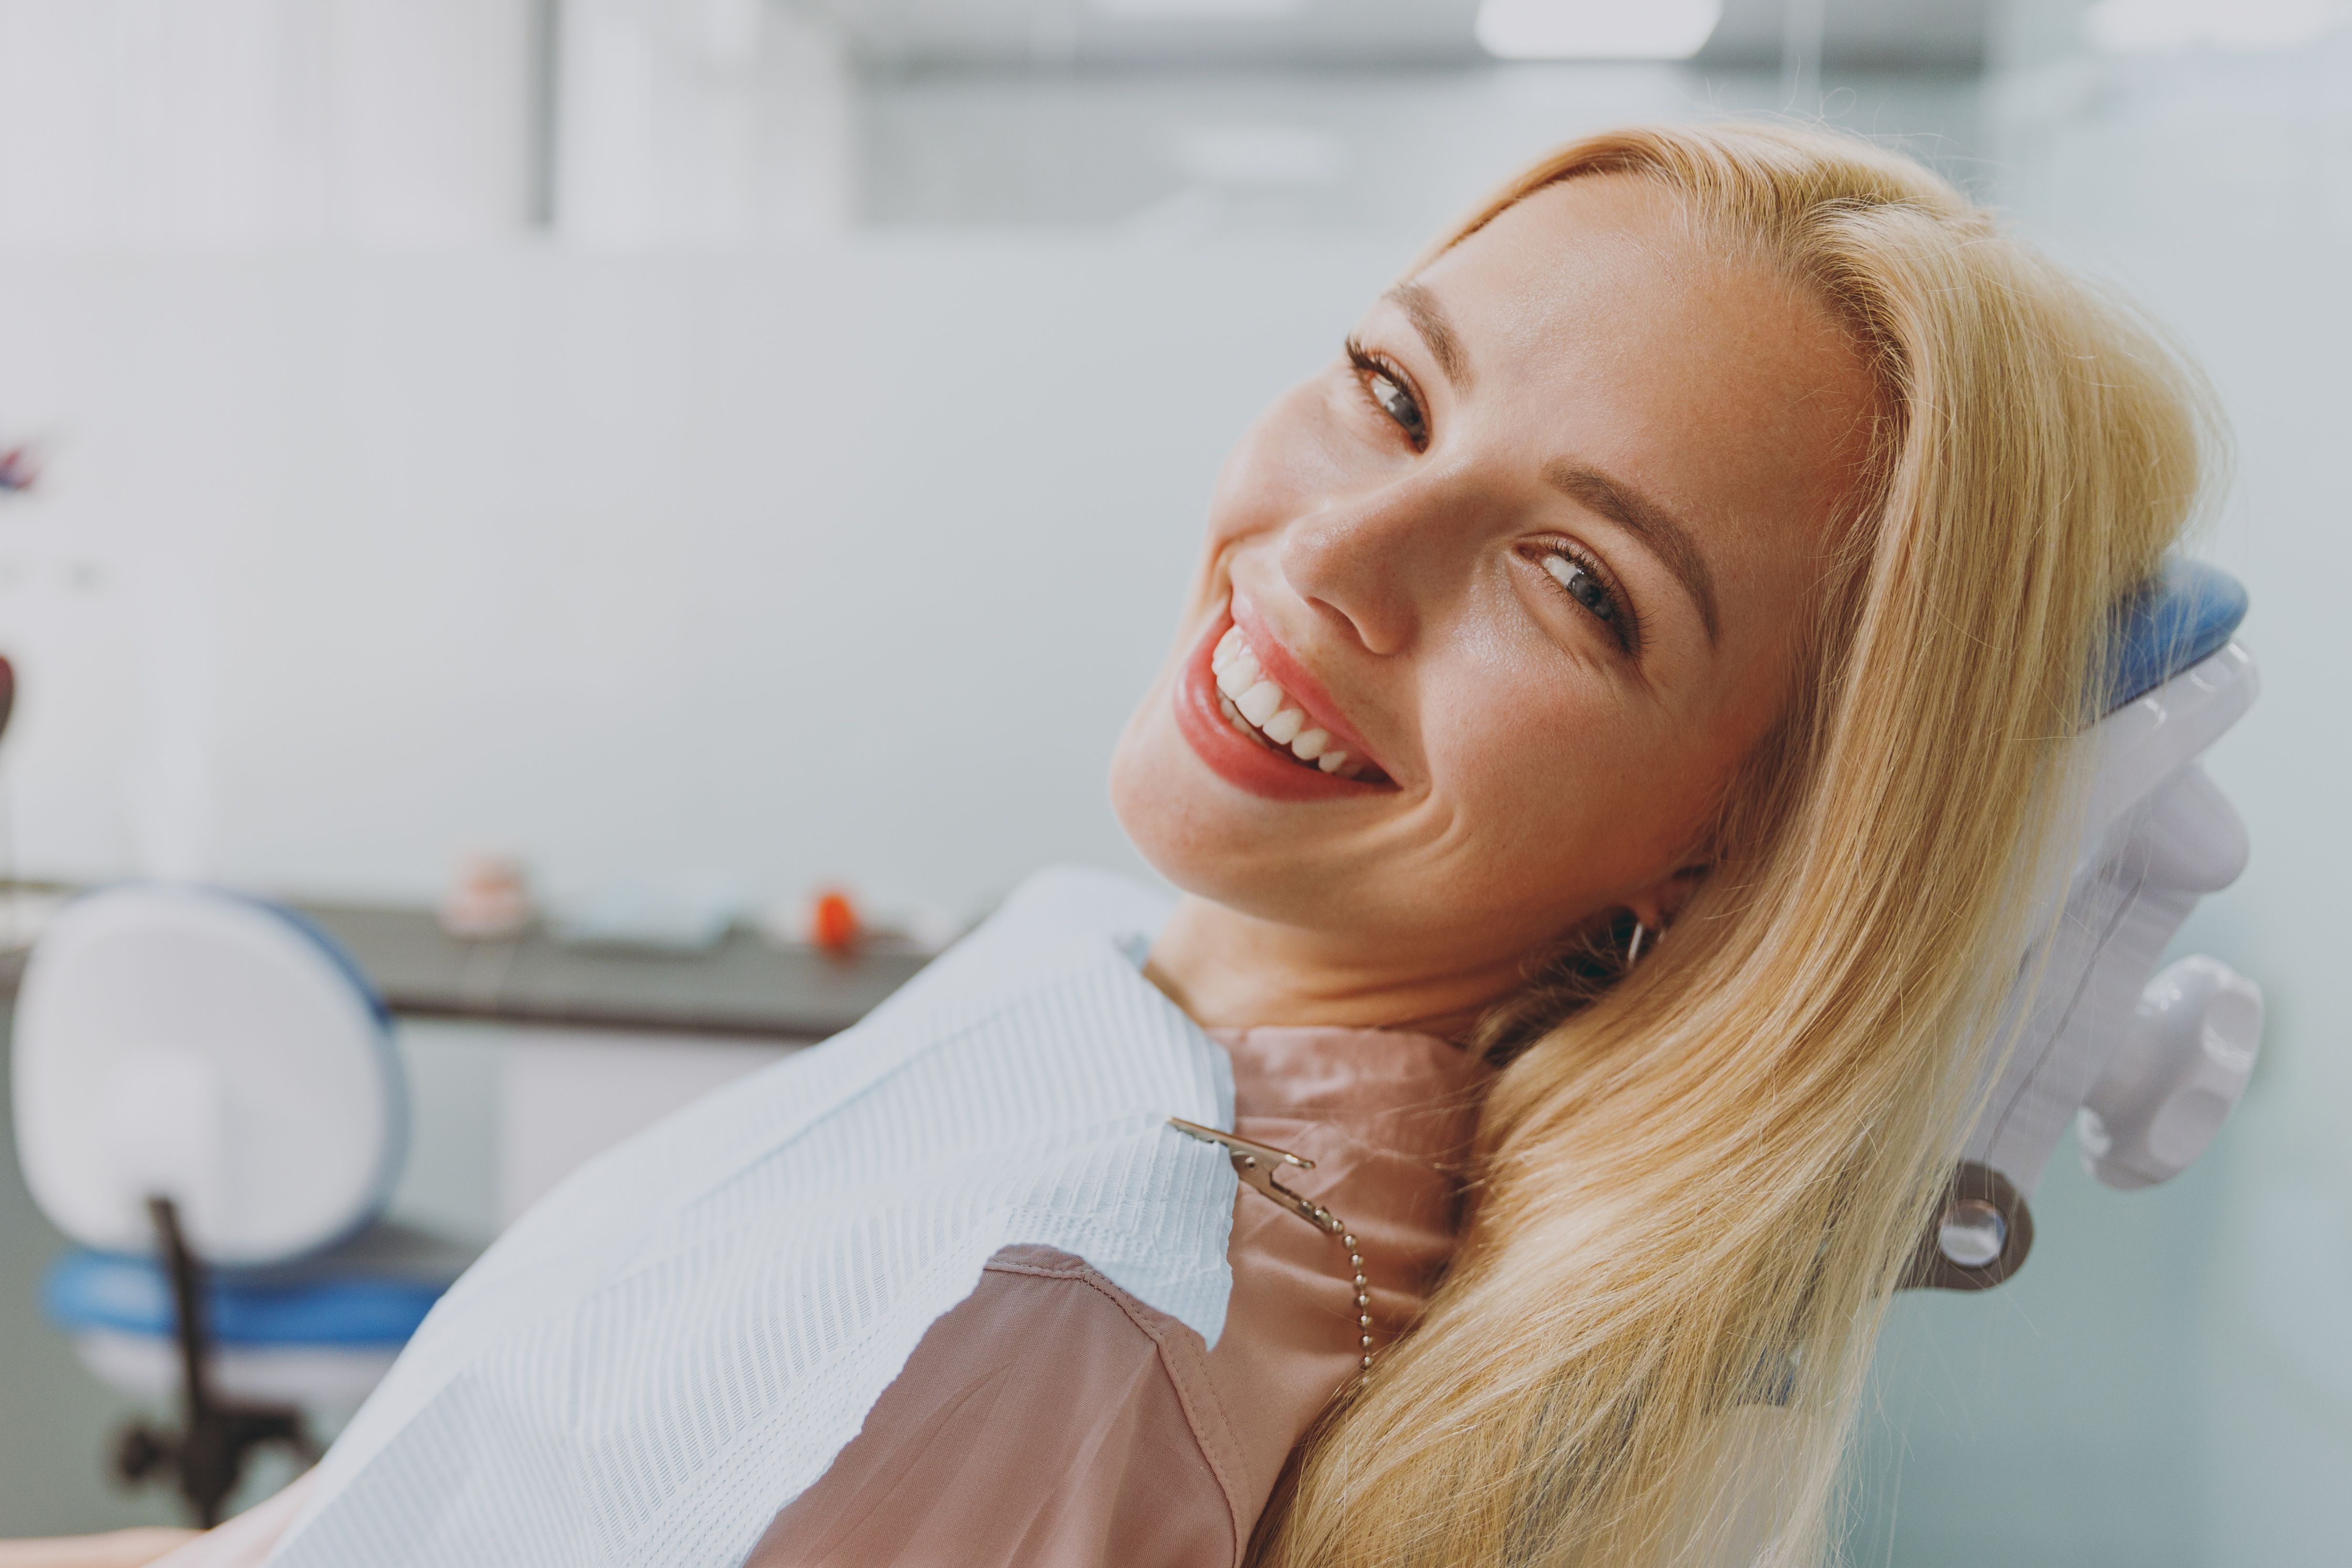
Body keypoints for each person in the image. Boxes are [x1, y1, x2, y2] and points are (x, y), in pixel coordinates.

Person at [11, 119, 2215, 1568]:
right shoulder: (1115, 970)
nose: (1342, 550)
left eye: (1577, 584)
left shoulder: (1079, 1304)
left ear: (1739, 833)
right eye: (1393, 386)